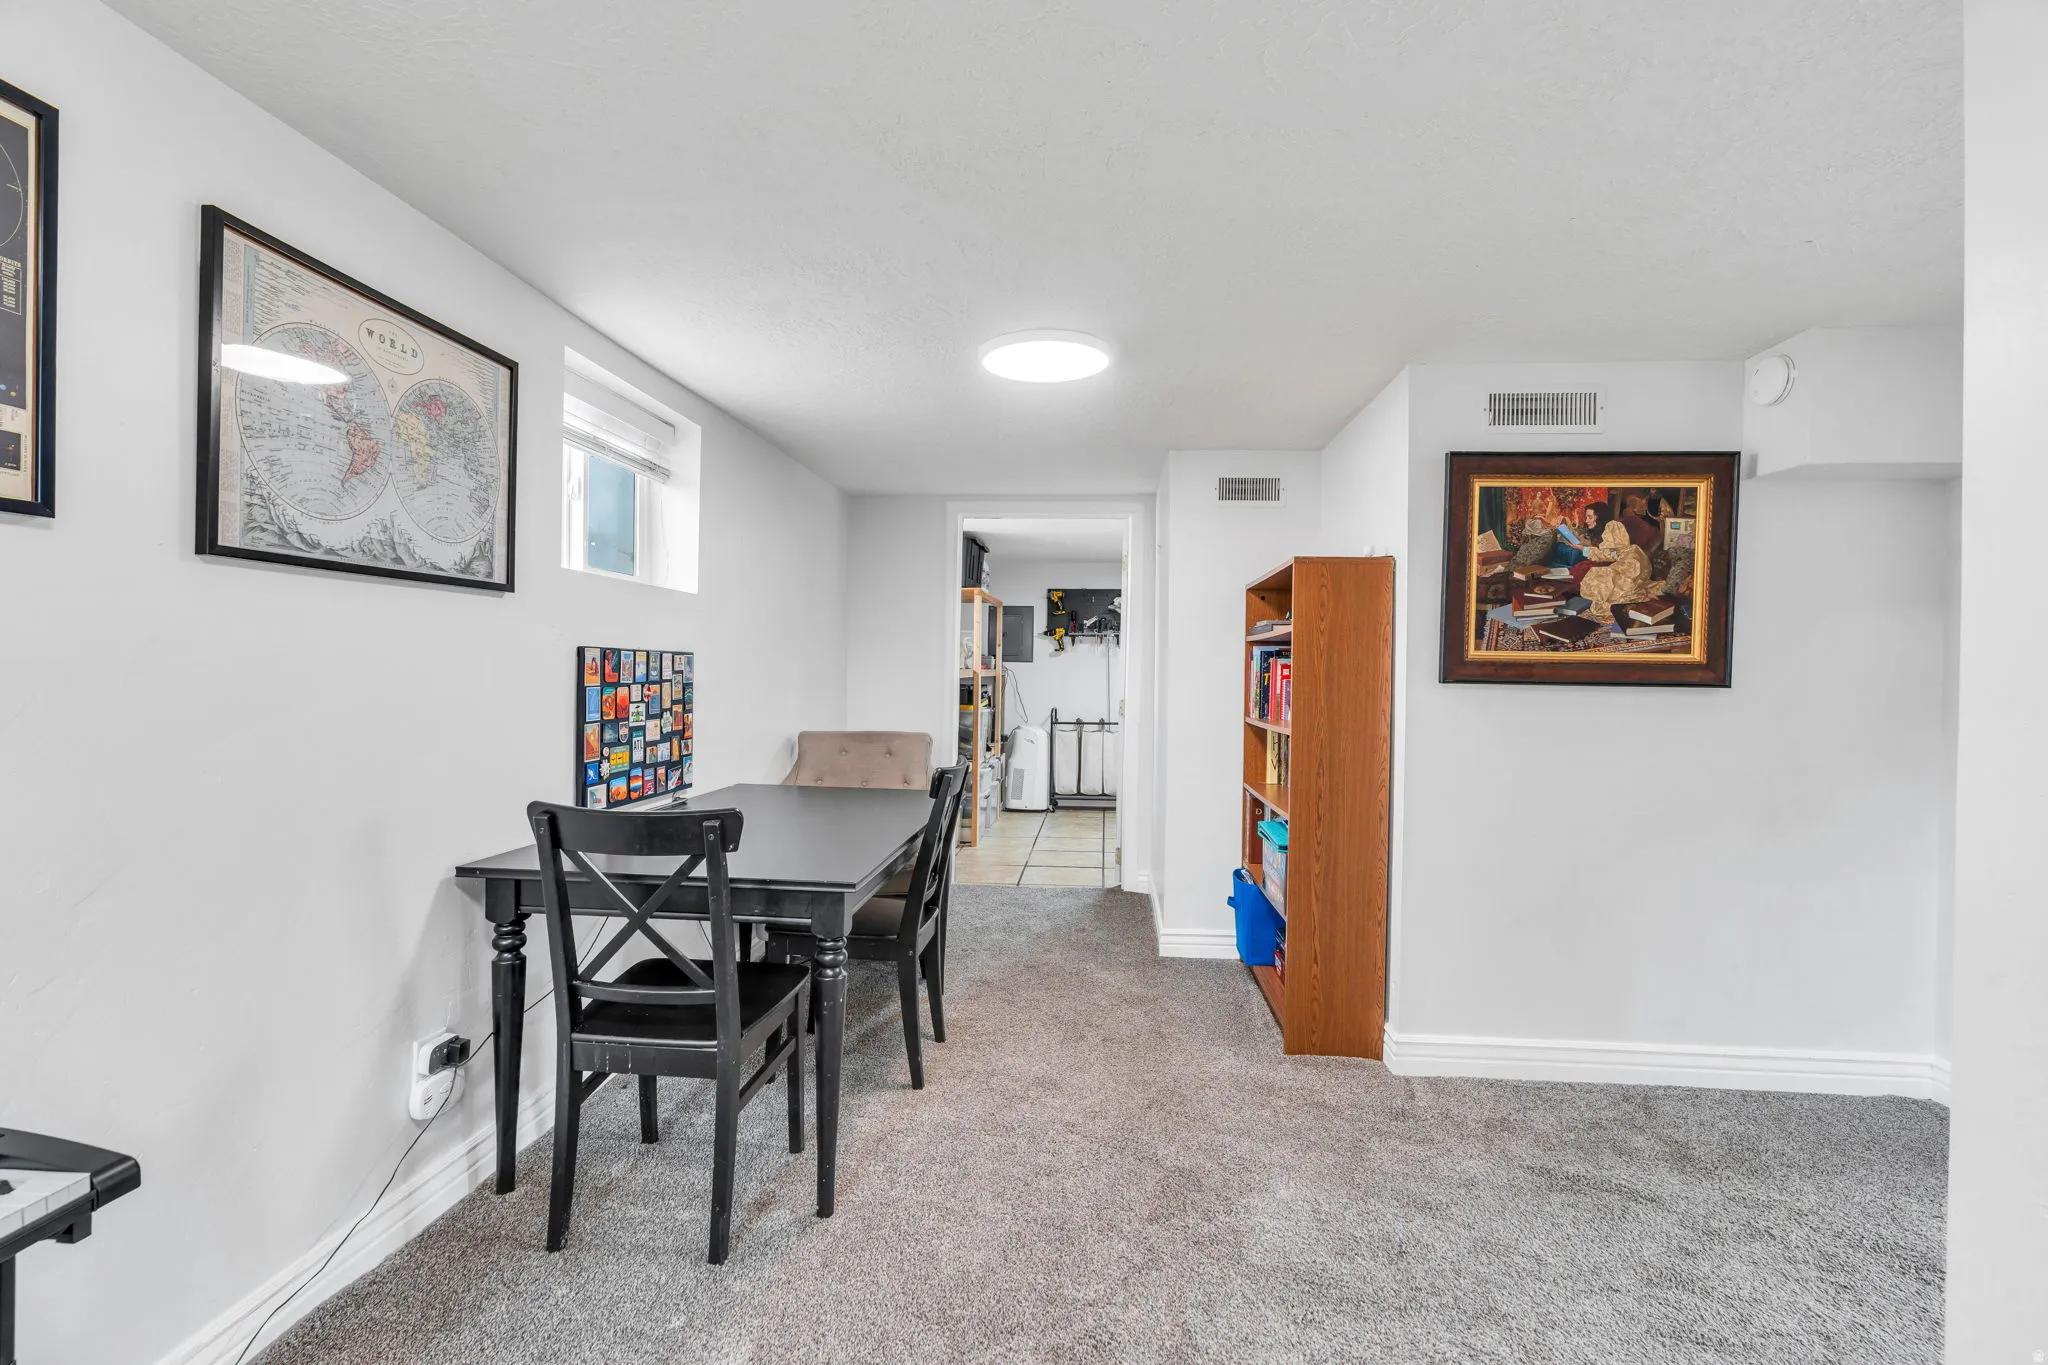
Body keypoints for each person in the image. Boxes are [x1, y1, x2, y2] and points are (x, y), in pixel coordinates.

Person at [1566, 501, 1654, 623]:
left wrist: (1583, 549)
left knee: (1600, 579)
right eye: (1586, 517)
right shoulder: (1605, 529)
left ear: (1599, 516)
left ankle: (1639, 598)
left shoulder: (1612, 525)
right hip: (1624, 559)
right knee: (1598, 578)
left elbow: (1610, 555)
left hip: (1631, 561)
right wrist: (1582, 547)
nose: (1586, 520)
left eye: (1590, 517)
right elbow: (1608, 553)